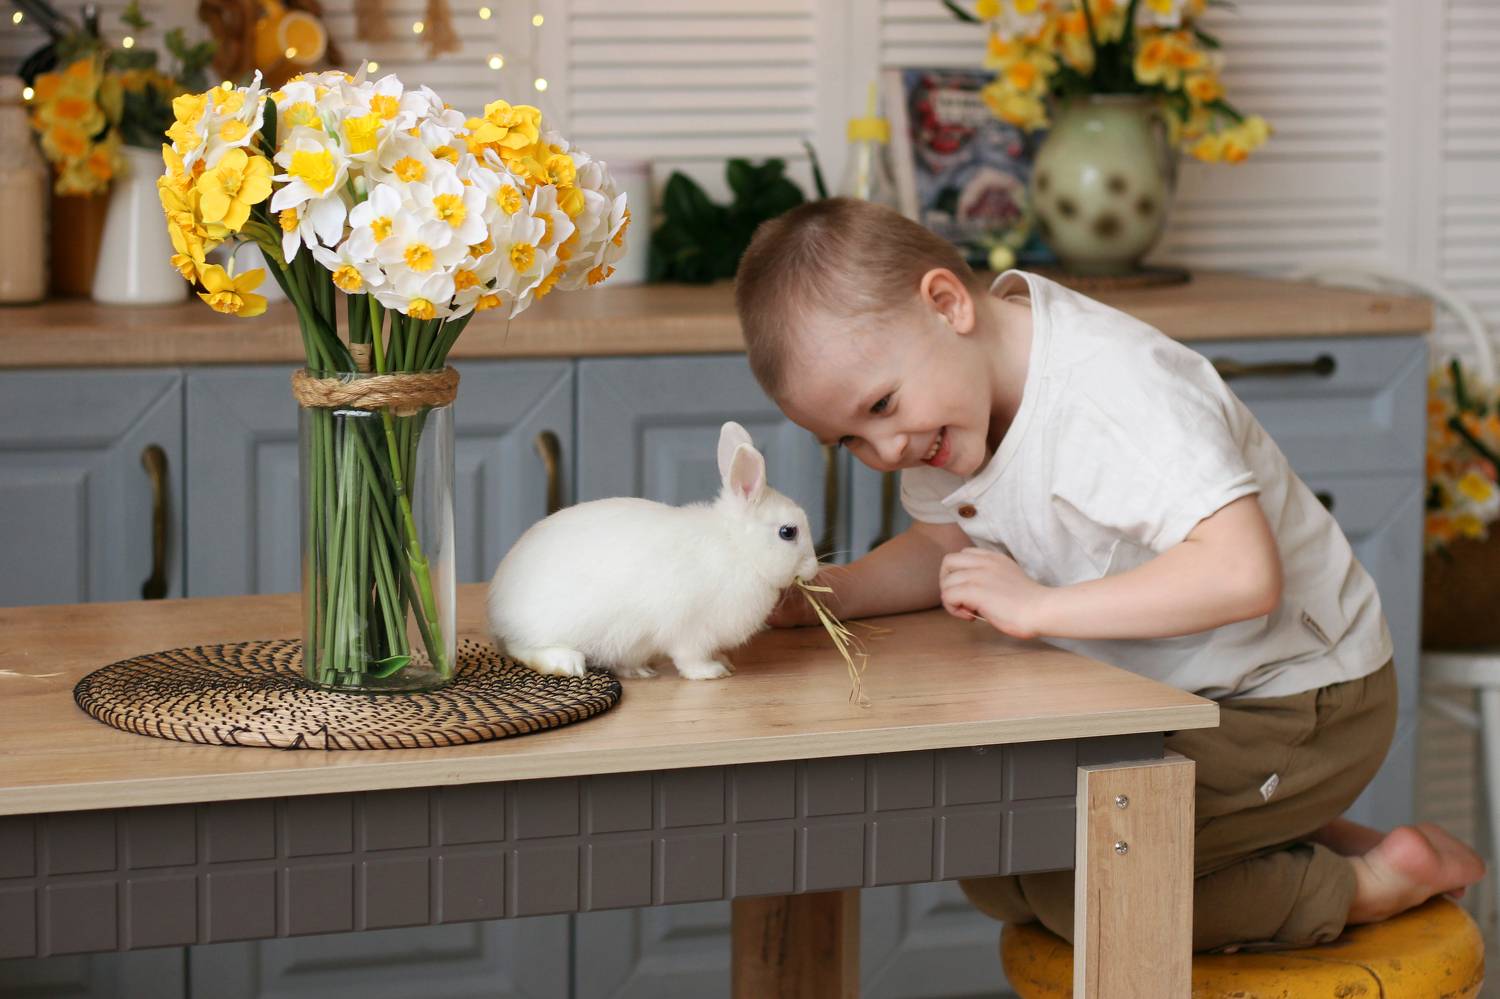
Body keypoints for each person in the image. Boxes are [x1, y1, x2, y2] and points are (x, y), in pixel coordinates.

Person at [733, 196, 1484, 951]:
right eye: (850, 440)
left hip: (1297, 698)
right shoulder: (946, 410)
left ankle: (1367, 882)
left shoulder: (1112, 392)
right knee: (989, 860)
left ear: (946, 304)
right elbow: (940, 548)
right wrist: (825, 595)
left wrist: (1039, 608)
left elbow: (1243, 572)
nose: (886, 450)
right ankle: (1283, 827)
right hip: (1173, 698)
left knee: (1089, 890)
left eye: (881, 406)